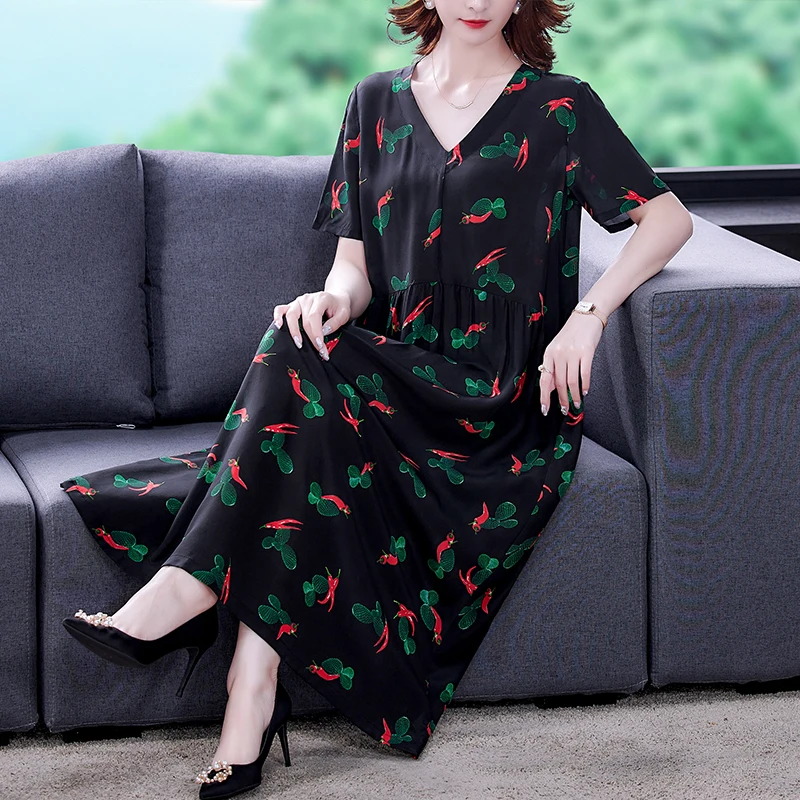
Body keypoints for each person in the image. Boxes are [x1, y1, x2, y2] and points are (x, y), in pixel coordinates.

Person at [60, 0, 693, 796]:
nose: (476, 2)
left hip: (493, 403)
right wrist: (331, 301)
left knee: (297, 425)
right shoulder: (374, 101)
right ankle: (250, 689)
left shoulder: (561, 106)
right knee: (296, 338)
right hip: (393, 378)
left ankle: (184, 595)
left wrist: (588, 318)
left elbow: (668, 221)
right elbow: (354, 266)